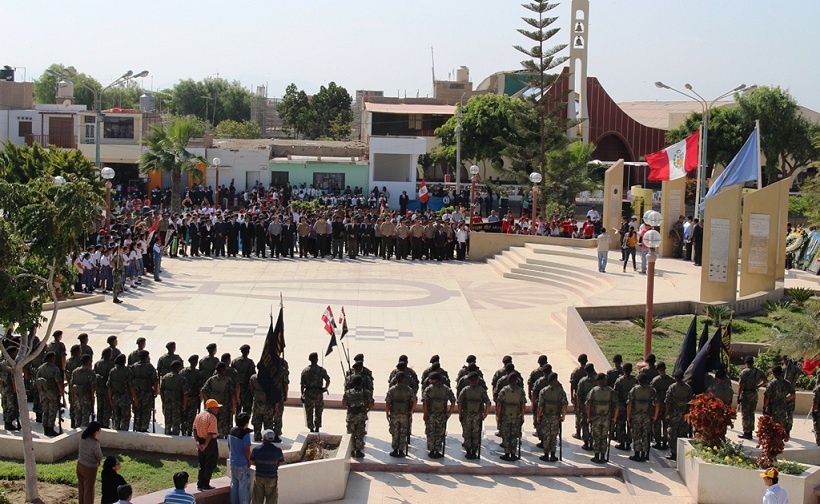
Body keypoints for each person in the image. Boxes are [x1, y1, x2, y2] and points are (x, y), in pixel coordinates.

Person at [421, 371, 455, 459]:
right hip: (442, 415)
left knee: (431, 432)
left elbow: (424, 402)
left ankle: (431, 450)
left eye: (431, 379)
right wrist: (449, 413)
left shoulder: (429, 389)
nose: (429, 380)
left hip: (431, 414)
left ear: (435, 380)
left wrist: (425, 414)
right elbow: (453, 401)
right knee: (440, 433)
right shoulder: (446, 389)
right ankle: (437, 450)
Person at [457, 371, 491, 460]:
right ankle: (474, 452)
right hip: (477, 415)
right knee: (476, 433)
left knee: (467, 433)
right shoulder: (481, 390)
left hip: (467, 414)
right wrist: (485, 414)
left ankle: (468, 452)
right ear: (477, 380)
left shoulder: (465, 390)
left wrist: (460, 414)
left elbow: (459, 402)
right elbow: (488, 403)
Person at [627, 372, 658, 462]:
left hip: (636, 416)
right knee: (646, 435)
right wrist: (655, 416)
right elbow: (657, 404)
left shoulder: (634, 390)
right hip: (647, 416)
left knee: (636, 435)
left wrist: (628, 416)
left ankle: (637, 454)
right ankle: (644, 454)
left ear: (639, 381)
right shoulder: (652, 390)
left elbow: (629, 404)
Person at [586, 372, 616, 464]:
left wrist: (588, 417)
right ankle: (603, 456)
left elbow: (588, 405)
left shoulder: (594, 391)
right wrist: (614, 418)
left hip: (596, 418)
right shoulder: (611, 391)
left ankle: (596, 456)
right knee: (604, 436)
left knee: (596, 436)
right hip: (607, 418)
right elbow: (617, 405)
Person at [536, 372, 567, 462]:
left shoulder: (544, 391)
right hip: (556, 417)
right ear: (555, 380)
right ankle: (553, 455)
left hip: (546, 416)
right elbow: (564, 405)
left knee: (546, 435)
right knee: (553, 435)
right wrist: (563, 416)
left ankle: (546, 454)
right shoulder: (560, 391)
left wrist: (538, 416)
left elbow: (540, 406)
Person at [385, 371, 416, 458]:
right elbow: (414, 400)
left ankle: (395, 450)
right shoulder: (408, 389)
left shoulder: (392, 390)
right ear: (404, 379)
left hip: (394, 414)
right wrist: (411, 411)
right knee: (403, 432)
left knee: (395, 432)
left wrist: (387, 412)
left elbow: (388, 402)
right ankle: (401, 451)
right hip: (404, 414)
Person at [250, 429, 285, 504]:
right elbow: (280, 462)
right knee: (271, 499)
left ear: (263, 438)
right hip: (272, 477)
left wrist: (260, 465)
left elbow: (252, 462)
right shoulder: (277, 450)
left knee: (257, 499)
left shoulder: (256, 449)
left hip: (259, 477)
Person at [343, 374, 374, 458]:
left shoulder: (348, 392)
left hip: (351, 416)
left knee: (351, 433)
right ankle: (359, 451)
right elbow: (372, 403)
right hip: (361, 416)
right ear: (361, 382)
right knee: (360, 433)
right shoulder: (366, 392)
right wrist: (367, 410)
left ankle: (352, 450)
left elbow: (343, 404)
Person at [193, 398, 221, 491]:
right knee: (210, 463)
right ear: (211, 408)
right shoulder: (212, 417)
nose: (218, 409)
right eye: (216, 407)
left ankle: (200, 483)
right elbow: (211, 433)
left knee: (202, 463)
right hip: (209, 443)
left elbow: (194, 429)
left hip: (200, 440)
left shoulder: (199, 415)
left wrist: (197, 442)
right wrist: (205, 444)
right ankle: (206, 484)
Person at [665, 369, 693, 460]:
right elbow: (690, 402)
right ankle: (682, 453)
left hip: (674, 414)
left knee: (672, 434)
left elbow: (668, 402)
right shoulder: (688, 388)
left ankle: (673, 453)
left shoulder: (672, 387)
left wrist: (667, 414)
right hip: (684, 414)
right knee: (682, 434)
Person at [300, 352, 330, 433]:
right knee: (318, 411)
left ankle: (311, 428)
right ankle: (317, 427)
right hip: (318, 392)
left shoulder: (305, 371)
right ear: (317, 360)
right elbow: (328, 380)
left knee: (309, 411)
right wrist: (325, 388)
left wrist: (302, 394)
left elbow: (302, 385)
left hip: (308, 392)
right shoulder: (321, 370)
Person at [76, 421, 103, 504]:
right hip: (90, 468)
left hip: (80, 465)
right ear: (96, 432)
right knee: (89, 491)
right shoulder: (94, 443)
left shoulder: (83, 437)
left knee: (82, 488)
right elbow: (99, 456)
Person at [228, 412, 252, 504]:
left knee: (234, 484)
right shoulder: (245, 435)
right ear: (246, 423)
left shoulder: (231, 431)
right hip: (242, 463)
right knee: (243, 487)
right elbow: (247, 450)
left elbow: (229, 445)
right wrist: (249, 461)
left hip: (233, 461)